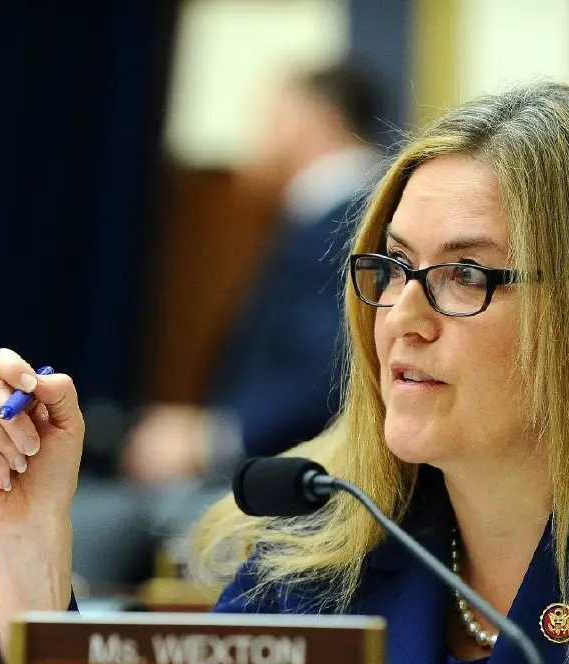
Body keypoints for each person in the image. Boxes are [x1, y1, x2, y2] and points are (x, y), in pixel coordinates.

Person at [0, 81, 569, 664]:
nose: (401, 317)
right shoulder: (312, 570)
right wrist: (32, 549)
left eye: (464, 274)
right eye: (392, 267)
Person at [120, 60, 385, 484]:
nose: (255, 138)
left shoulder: (346, 220)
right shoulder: (328, 215)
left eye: (271, 119)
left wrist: (214, 439)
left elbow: (334, 363)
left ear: (315, 118)